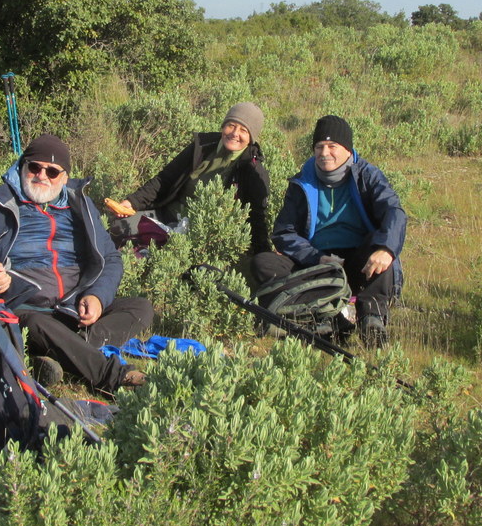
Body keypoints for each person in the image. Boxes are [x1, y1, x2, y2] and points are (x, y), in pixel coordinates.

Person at [0, 134, 154, 394]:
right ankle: (112, 376)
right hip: (23, 310)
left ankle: (62, 352)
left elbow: (110, 258)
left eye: (52, 171)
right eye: (34, 167)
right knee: (38, 325)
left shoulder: (81, 206)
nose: (42, 175)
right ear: (22, 167)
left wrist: (97, 296)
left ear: (64, 178)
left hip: (74, 308)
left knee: (140, 308)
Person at [251, 115, 406, 345]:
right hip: (318, 262)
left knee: (381, 244)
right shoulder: (302, 182)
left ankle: (370, 317)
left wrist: (386, 248)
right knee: (264, 263)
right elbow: (284, 232)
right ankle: (323, 315)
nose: (325, 153)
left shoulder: (368, 176)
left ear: (347, 149)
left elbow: (394, 211)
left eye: (332, 146)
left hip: (359, 261)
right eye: (319, 147)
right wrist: (316, 257)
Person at [106, 102, 272, 254]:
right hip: (166, 215)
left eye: (244, 130)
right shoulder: (203, 146)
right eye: (231, 125)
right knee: (117, 227)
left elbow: (256, 218)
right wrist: (132, 202)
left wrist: (264, 253)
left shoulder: (252, 170)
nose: (235, 133)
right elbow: (165, 179)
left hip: (198, 235)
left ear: (251, 138)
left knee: (157, 257)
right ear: (223, 126)